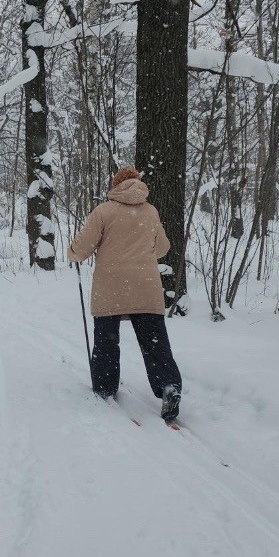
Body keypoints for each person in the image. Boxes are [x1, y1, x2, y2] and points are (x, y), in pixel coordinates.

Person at [68, 167, 183, 423]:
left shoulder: (104, 211)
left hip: (111, 286)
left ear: (116, 185)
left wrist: (73, 252)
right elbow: (162, 248)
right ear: (138, 183)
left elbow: (83, 247)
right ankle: (168, 386)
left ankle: (105, 386)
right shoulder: (150, 212)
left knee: (107, 340)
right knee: (154, 341)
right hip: (145, 285)